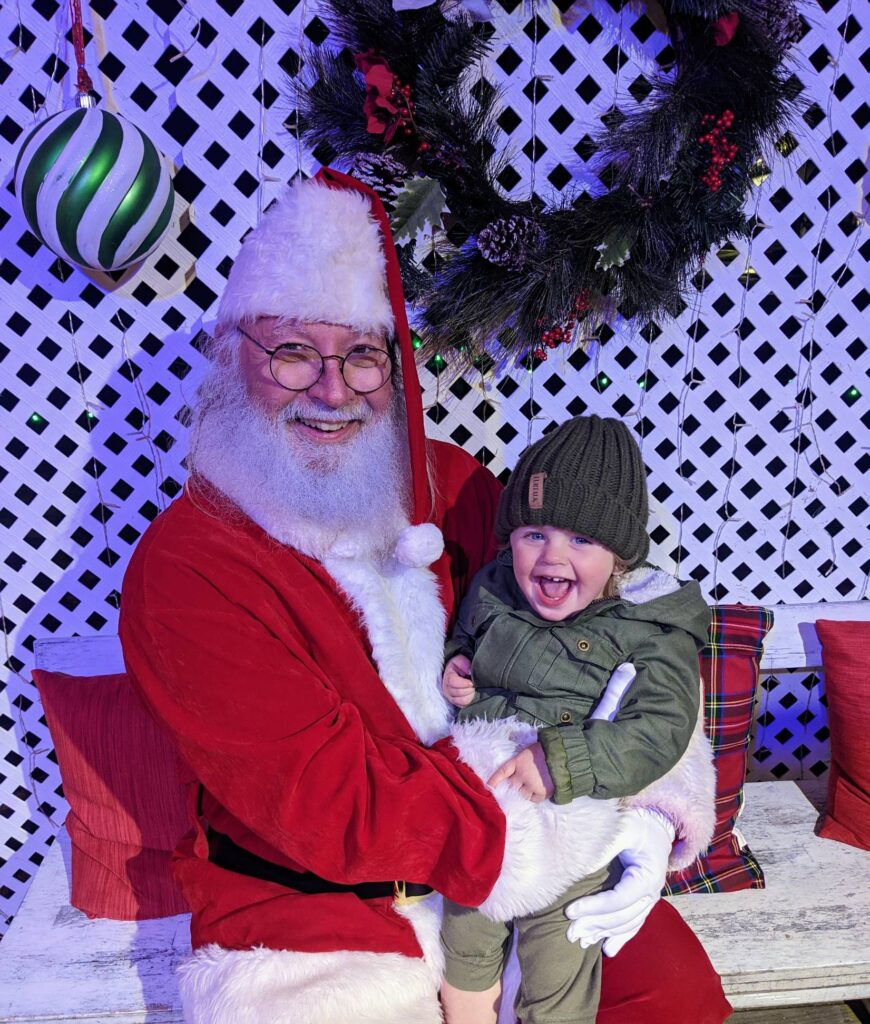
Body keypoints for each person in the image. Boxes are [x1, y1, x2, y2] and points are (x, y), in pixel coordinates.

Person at [118, 168, 732, 1024]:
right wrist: (566, 822)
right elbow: (325, 797)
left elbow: (629, 622)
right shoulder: (187, 567)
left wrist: (654, 805)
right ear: (235, 358)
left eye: (362, 354)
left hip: (533, 872)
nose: (332, 390)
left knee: (673, 998)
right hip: (312, 922)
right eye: (293, 350)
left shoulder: (456, 486)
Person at [438, 414, 712, 1024]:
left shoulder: (651, 627)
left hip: (574, 830)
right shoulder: (494, 586)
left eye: (582, 541)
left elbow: (661, 728)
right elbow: (467, 633)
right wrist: (457, 662)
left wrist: (562, 761)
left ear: (618, 557)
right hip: (482, 817)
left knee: (559, 965)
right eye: (533, 532)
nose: (551, 555)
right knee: (464, 949)